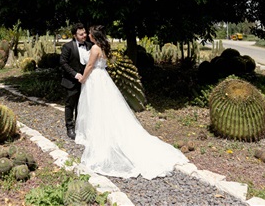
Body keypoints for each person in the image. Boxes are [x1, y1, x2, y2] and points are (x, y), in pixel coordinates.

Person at [75, 25, 189, 179]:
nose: (88, 34)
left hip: (95, 78)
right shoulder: (104, 47)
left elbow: (89, 65)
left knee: (96, 108)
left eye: (89, 33)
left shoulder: (95, 48)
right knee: (106, 108)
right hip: (104, 78)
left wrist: (83, 78)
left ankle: (100, 137)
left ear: (94, 35)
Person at [60, 23, 93, 139]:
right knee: (70, 104)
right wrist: (75, 74)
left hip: (85, 82)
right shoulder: (68, 47)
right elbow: (63, 63)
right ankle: (70, 127)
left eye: (84, 33)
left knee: (82, 105)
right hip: (71, 81)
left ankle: (80, 127)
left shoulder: (90, 45)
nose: (84, 35)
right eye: (81, 34)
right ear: (75, 35)